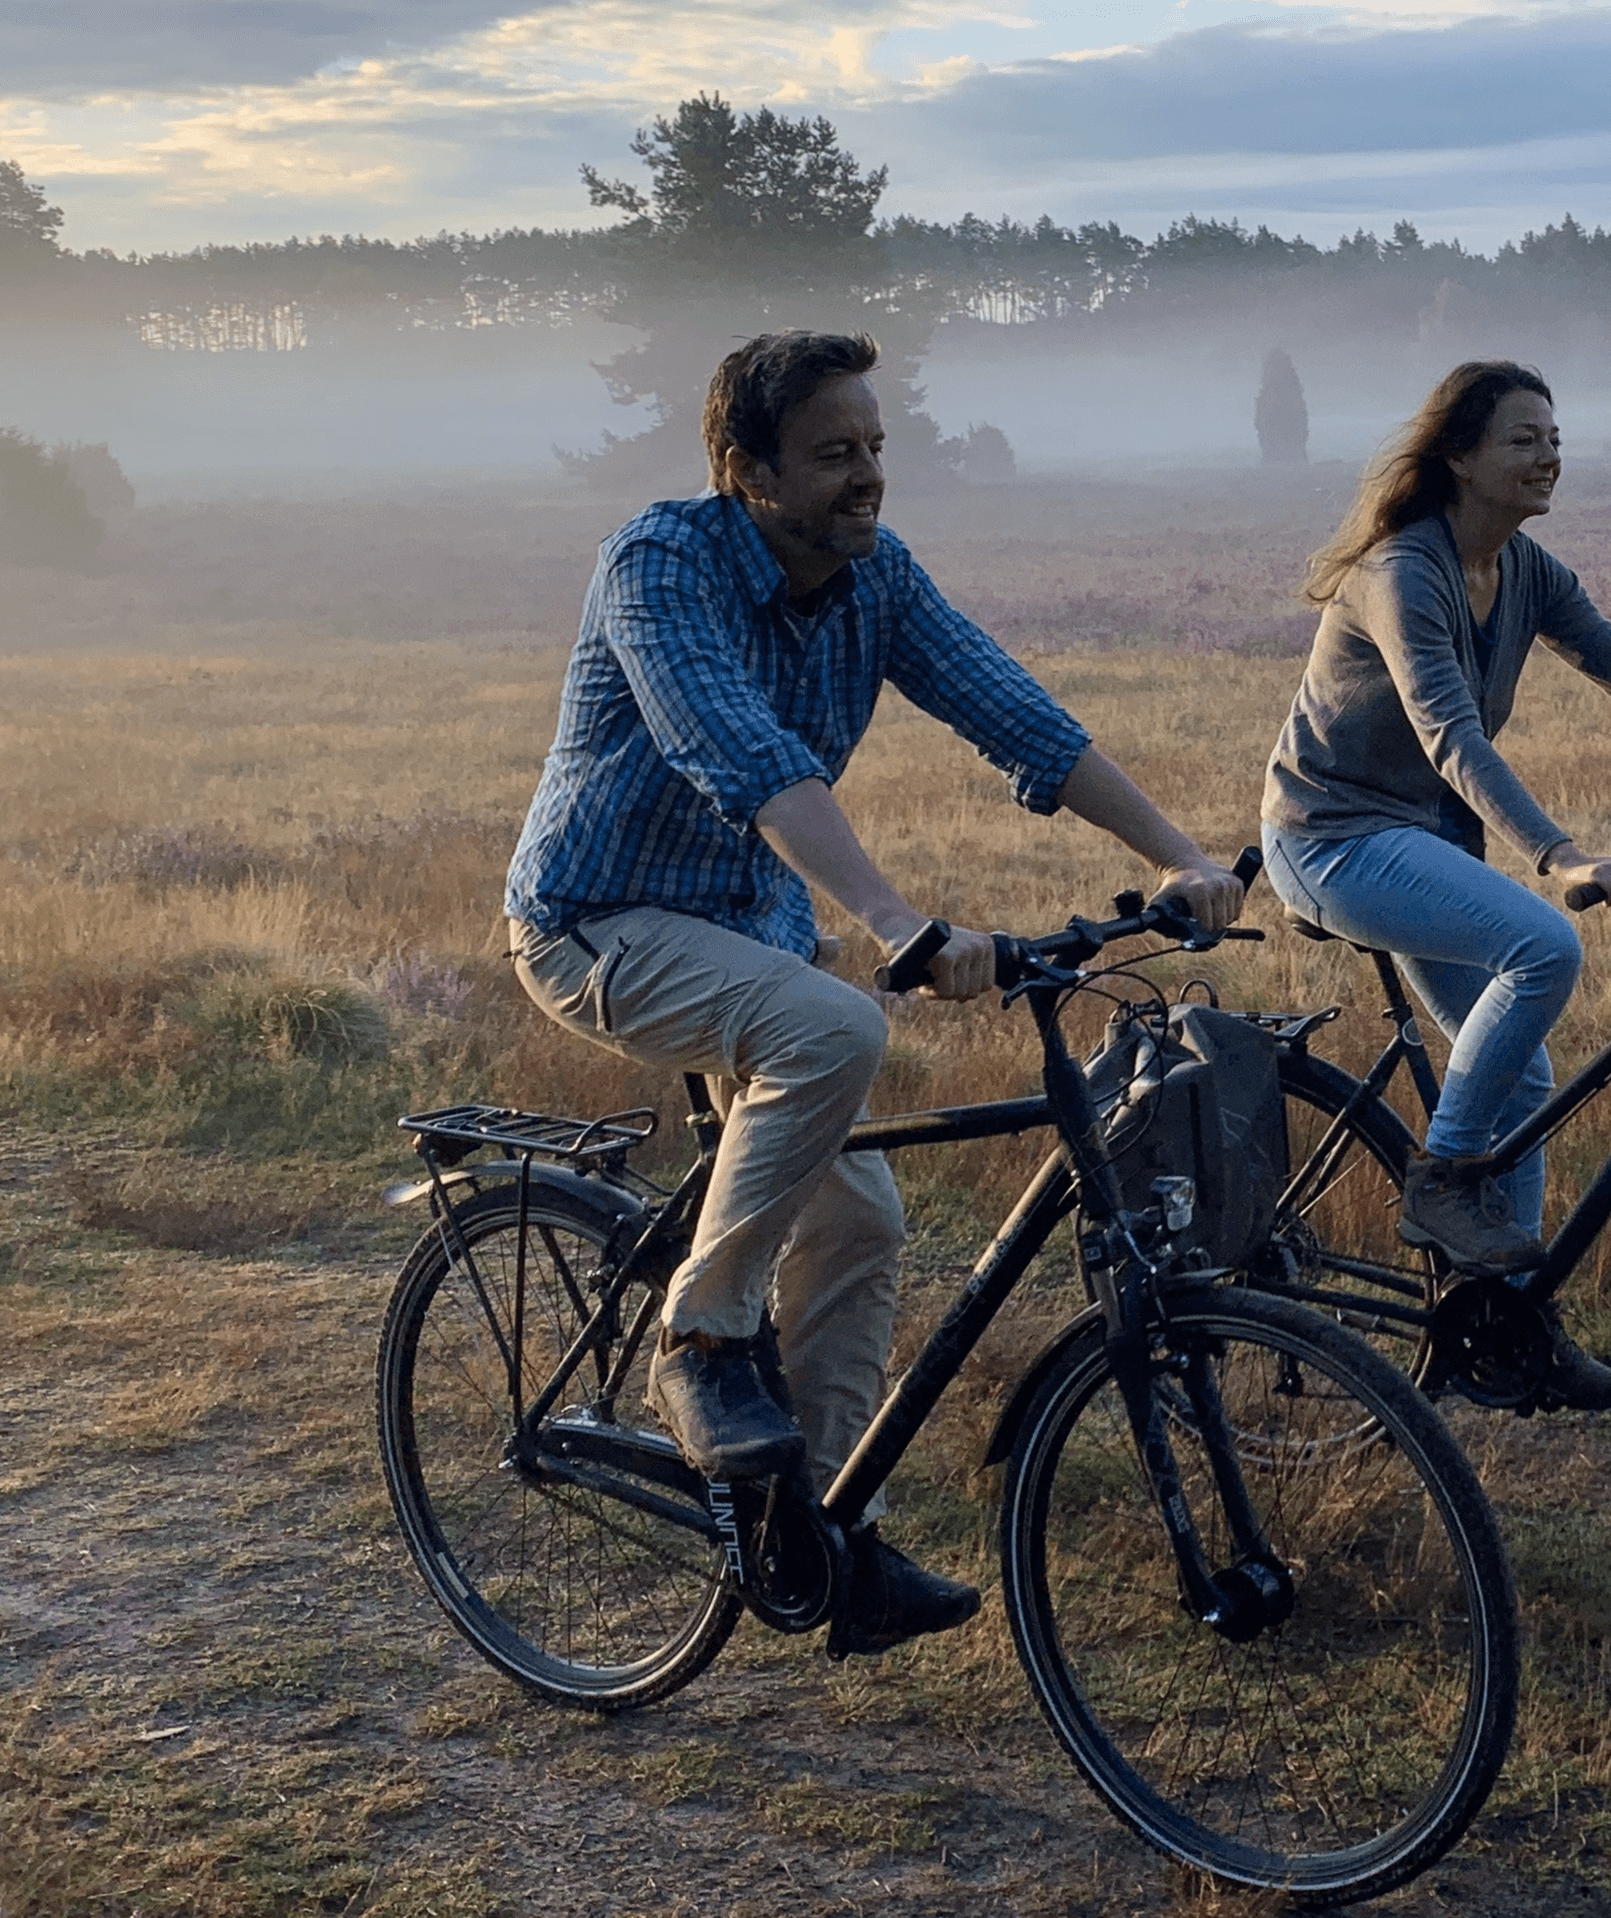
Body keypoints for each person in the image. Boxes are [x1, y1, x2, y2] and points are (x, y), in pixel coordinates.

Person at [506, 329, 1243, 1656]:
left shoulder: (872, 577)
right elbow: (739, 748)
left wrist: (1180, 856)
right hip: (596, 923)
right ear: (744, 468)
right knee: (836, 1024)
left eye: (877, 449)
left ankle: (824, 1535)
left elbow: (1016, 713)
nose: (868, 477)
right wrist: (897, 921)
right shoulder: (660, 563)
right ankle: (702, 1339)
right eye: (834, 453)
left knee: (861, 1220)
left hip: (751, 934)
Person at [1260, 360, 1611, 1411]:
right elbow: (1450, 733)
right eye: (1524, 438)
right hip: (1333, 835)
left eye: (1555, 437)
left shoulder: (1525, 570)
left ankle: (1510, 1321)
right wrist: (1559, 856)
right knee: (1546, 946)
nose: (1548, 455)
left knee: (1523, 1081)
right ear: (1460, 457)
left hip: (1424, 843)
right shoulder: (1404, 572)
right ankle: (1440, 1183)